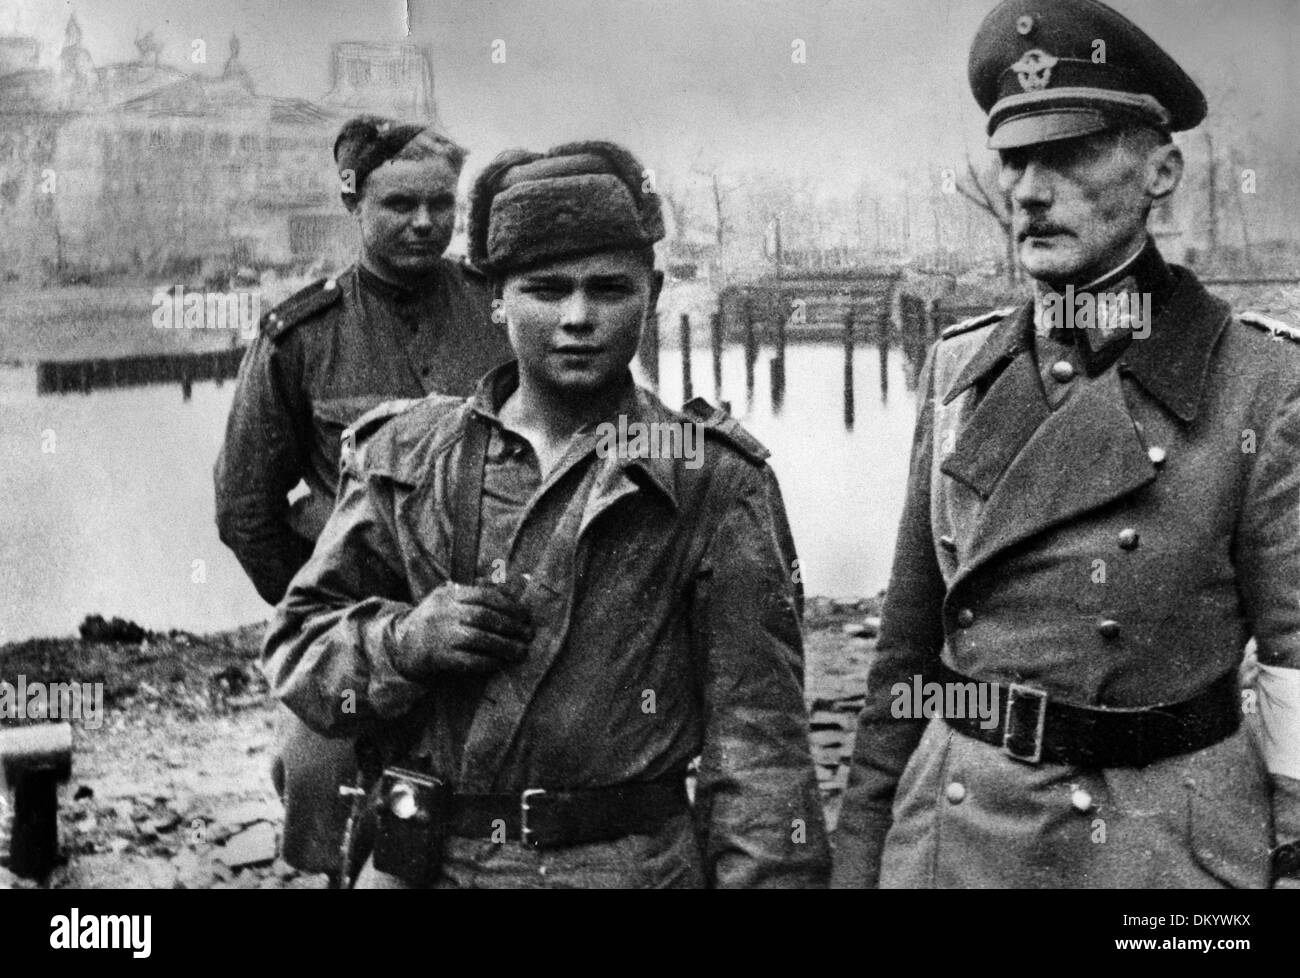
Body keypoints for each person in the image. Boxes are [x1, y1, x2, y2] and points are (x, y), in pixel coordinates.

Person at [262, 140, 831, 888]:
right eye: (545, 288)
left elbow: (760, 747)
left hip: (628, 867)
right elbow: (300, 651)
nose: (578, 318)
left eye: (609, 289)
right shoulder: (406, 456)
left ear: (653, 293)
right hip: (432, 862)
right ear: (493, 295)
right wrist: (405, 641)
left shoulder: (711, 480)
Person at [833, 0, 1300, 888]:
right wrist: (862, 854)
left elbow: (1297, 665)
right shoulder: (960, 368)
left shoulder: (1260, 384)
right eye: (1015, 159)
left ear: (1161, 170)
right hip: (955, 837)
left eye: (1072, 153)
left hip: (1157, 855)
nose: (1030, 191)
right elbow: (906, 654)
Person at [214, 116, 512, 876]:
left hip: (492, 625)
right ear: (354, 204)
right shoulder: (301, 333)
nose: (425, 223)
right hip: (360, 635)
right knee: (329, 803)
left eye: (441, 204)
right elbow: (246, 509)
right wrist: (324, 616)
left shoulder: (501, 312)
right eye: (398, 205)